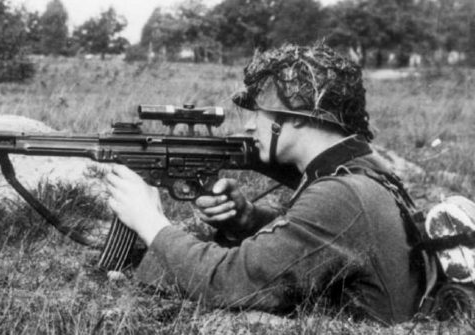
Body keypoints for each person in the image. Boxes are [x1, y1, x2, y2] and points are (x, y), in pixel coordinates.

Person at [104, 43, 425, 325]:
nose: (249, 124)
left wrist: (148, 220)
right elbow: (324, 241)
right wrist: (248, 220)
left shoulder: (342, 196)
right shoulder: (362, 169)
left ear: (298, 115)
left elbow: (227, 282)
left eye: (260, 113)